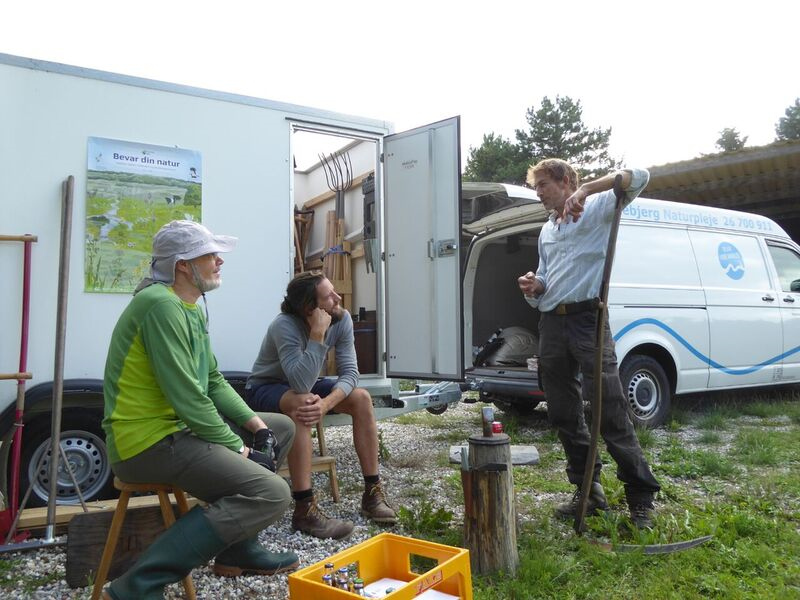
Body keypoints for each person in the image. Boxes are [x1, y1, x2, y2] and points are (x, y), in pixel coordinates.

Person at [101, 220, 298, 599]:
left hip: (177, 432)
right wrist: (241, 450)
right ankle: (137, 585)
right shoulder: (160, 306)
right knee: (272, 494)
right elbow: (189, 399)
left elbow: (212, 380)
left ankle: (238, 550)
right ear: (182, 265)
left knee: (281, 428)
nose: (219, 261)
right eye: (210, 255)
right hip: (145, 444)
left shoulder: (189, 307)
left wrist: (258, 429)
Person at [518, 159, 661, 529]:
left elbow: (639, 176)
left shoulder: (598, 207)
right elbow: (546, 277)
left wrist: (586, 190)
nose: (538, 193)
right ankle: (588, 491)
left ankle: (641, 498)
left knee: (608, 408)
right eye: (536, 187)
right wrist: (535, 286)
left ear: (565, 180)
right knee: (563, 412)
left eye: (543, 184)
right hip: (552, 322)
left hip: (588, 320)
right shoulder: (547, 229)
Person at [245, 271, 397, 540]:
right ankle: (304, 508)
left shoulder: (342, 318)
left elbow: (350, 373)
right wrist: (317, 335)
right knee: (304, 404)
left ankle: (372, 493)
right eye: (329, 296)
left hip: (305, 384)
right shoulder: (284, 325)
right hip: (266, 387)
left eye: (334, 291)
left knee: (361, 398)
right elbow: (300, 384)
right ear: (309, 307)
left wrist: (326, 404)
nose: (338, 298)